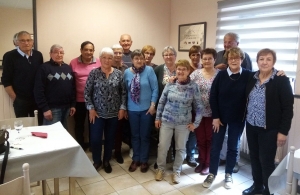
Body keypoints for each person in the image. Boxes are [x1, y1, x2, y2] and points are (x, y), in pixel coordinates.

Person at [242, 49, 293, 195]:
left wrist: (283, 132)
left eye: (268, 59)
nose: (264, 62)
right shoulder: (252, 77)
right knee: (254, 158)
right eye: (261, 59)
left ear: (273, 62)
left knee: (266, 161)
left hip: (269, 129)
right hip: (251, 126)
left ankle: (268, 190)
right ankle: (257, 186)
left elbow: (287, 108)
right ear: (257, 61)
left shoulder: (281, 80)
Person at [203, 47, 252, 189]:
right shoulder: (221, 75)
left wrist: (280, 73)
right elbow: (213, 96)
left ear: (242, 60)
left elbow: (265, 75)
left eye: (237, 58)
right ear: (227, 60)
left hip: (238, 118)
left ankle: (228, 174)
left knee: (233, 147)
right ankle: (212, 173)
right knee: (216, 146)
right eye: (231, 58)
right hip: (220, 119)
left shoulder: (249, 75)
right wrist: (216, 117)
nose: (234, 60)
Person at [155, 59, 203, 184]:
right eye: (179, 69)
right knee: (162, 146)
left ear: (188, 71)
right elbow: (161, 102)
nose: (181, 71)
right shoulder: (170, 84)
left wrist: (196, 124)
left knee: (180, 148)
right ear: (176, 70)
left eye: (184, 69)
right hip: (167, 121)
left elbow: (199, 107)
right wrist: (157, 117)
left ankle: (177, 171)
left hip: (183, 123)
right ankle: (161, 169)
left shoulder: (193, 87)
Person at [84, 47, 126, 173]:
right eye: (104, 58)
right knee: (96, 139)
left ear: (113, 59)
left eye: (110, 58)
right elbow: (87, 93)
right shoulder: (94, 73)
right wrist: (91, 109)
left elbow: (123, 93)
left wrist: (122, 108)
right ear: (100, 59)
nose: (107, 60)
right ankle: (97, 161)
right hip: (97, 114)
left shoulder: (119, 74)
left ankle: (106, 160)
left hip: (114, 114)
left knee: (110, 138)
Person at [215, 32, 253, 173]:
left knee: (235, 138)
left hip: (239, 107)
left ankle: (234, 161)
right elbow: (212, 72)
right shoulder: (219, 54)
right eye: (225, 42)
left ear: (237, 43)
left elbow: (250, 76)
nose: (226, 45)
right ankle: (223, 157)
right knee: (223, 137)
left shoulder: (245, 56)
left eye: (229, 42)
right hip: (223, 104)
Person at [124, 49, 158, 173]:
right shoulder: (127, 72)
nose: (139, 60)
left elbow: (155, 88)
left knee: (145, 136)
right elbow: (125, 91)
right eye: (136, 58)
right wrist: (125, 108)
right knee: (135, 136)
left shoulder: (149, 71)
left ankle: (144, 160)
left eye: (141, 58)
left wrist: (153, 105)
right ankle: (136, 159)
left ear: (144, 59)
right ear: (132, 60)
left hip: (146, 110)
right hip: (132, 109)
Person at [2, 31, 43, 119]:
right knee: (22, 127)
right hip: (20, 100)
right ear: (17, 42)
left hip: (37, 99)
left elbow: (41, 77)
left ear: (32, 42)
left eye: (28, 40)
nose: (26, 43)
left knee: (38, 125)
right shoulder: (9, 56)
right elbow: (6, 80)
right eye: (22, 41)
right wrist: (15, 99)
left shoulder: (38, 55)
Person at [190, 48, 219, 175]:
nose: (207, 61)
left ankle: (208, 164)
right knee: (200, 139)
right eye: (204, 58)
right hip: (198, 113)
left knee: (210, 140)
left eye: (209, 58)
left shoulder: (220, 74)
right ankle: (201, 161)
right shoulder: (196, 74)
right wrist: (174, 79)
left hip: (214, 114)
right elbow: (186, 84)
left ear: (215, 60)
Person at [34, 44, 76, 129]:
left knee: (63, 135)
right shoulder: (44, 68)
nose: (59, 55)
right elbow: (38, 90)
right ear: (50, 54)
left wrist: (73, 105)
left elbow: (72, 88)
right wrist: (45, 109)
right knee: (52, 136)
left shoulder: (67, 68)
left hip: (66, 108)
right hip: (52, 109)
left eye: (61, 52)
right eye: (56, 52)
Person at [69, 41, 101, 150]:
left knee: (94, 125)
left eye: (91, 50)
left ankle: (93, 145)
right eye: (86, 50)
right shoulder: (73, 62)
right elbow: (71, 83)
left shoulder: (99, 62)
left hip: (95, 101)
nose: (88, 52)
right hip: (79, 100)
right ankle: (80, 147)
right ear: (81, 50)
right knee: (79, 125)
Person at [153, 46, 177, 168]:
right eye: (166, 55)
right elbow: (155, 88)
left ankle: (172, 157)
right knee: (162, 135)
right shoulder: (158, 69)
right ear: (163, 57)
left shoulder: (181, 68)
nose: (168, 57)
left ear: (175, 56)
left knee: (175, 134)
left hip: (178, 108)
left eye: (171, 54)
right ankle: (161, 159)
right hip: (162, 106)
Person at [185, 45, 202, 168]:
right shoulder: (188, 69)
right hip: (190, 106)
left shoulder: (204, 68)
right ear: (190, 56)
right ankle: (190, 155)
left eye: (198, 54)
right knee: (192, 131)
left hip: (202, 106)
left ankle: (198, 153)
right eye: (193, 55)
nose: (195, 57)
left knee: (199, 131)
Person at [111, 44, 128, 164]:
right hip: (108, 105)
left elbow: (126, 88)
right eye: (115, 52)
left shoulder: (125, 69)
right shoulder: (106, 66)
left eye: (119, 52)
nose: (117, 55)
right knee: (109, 130)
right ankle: (108, 152)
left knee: (119, 130)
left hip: (122, 104)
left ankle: (118, 152)